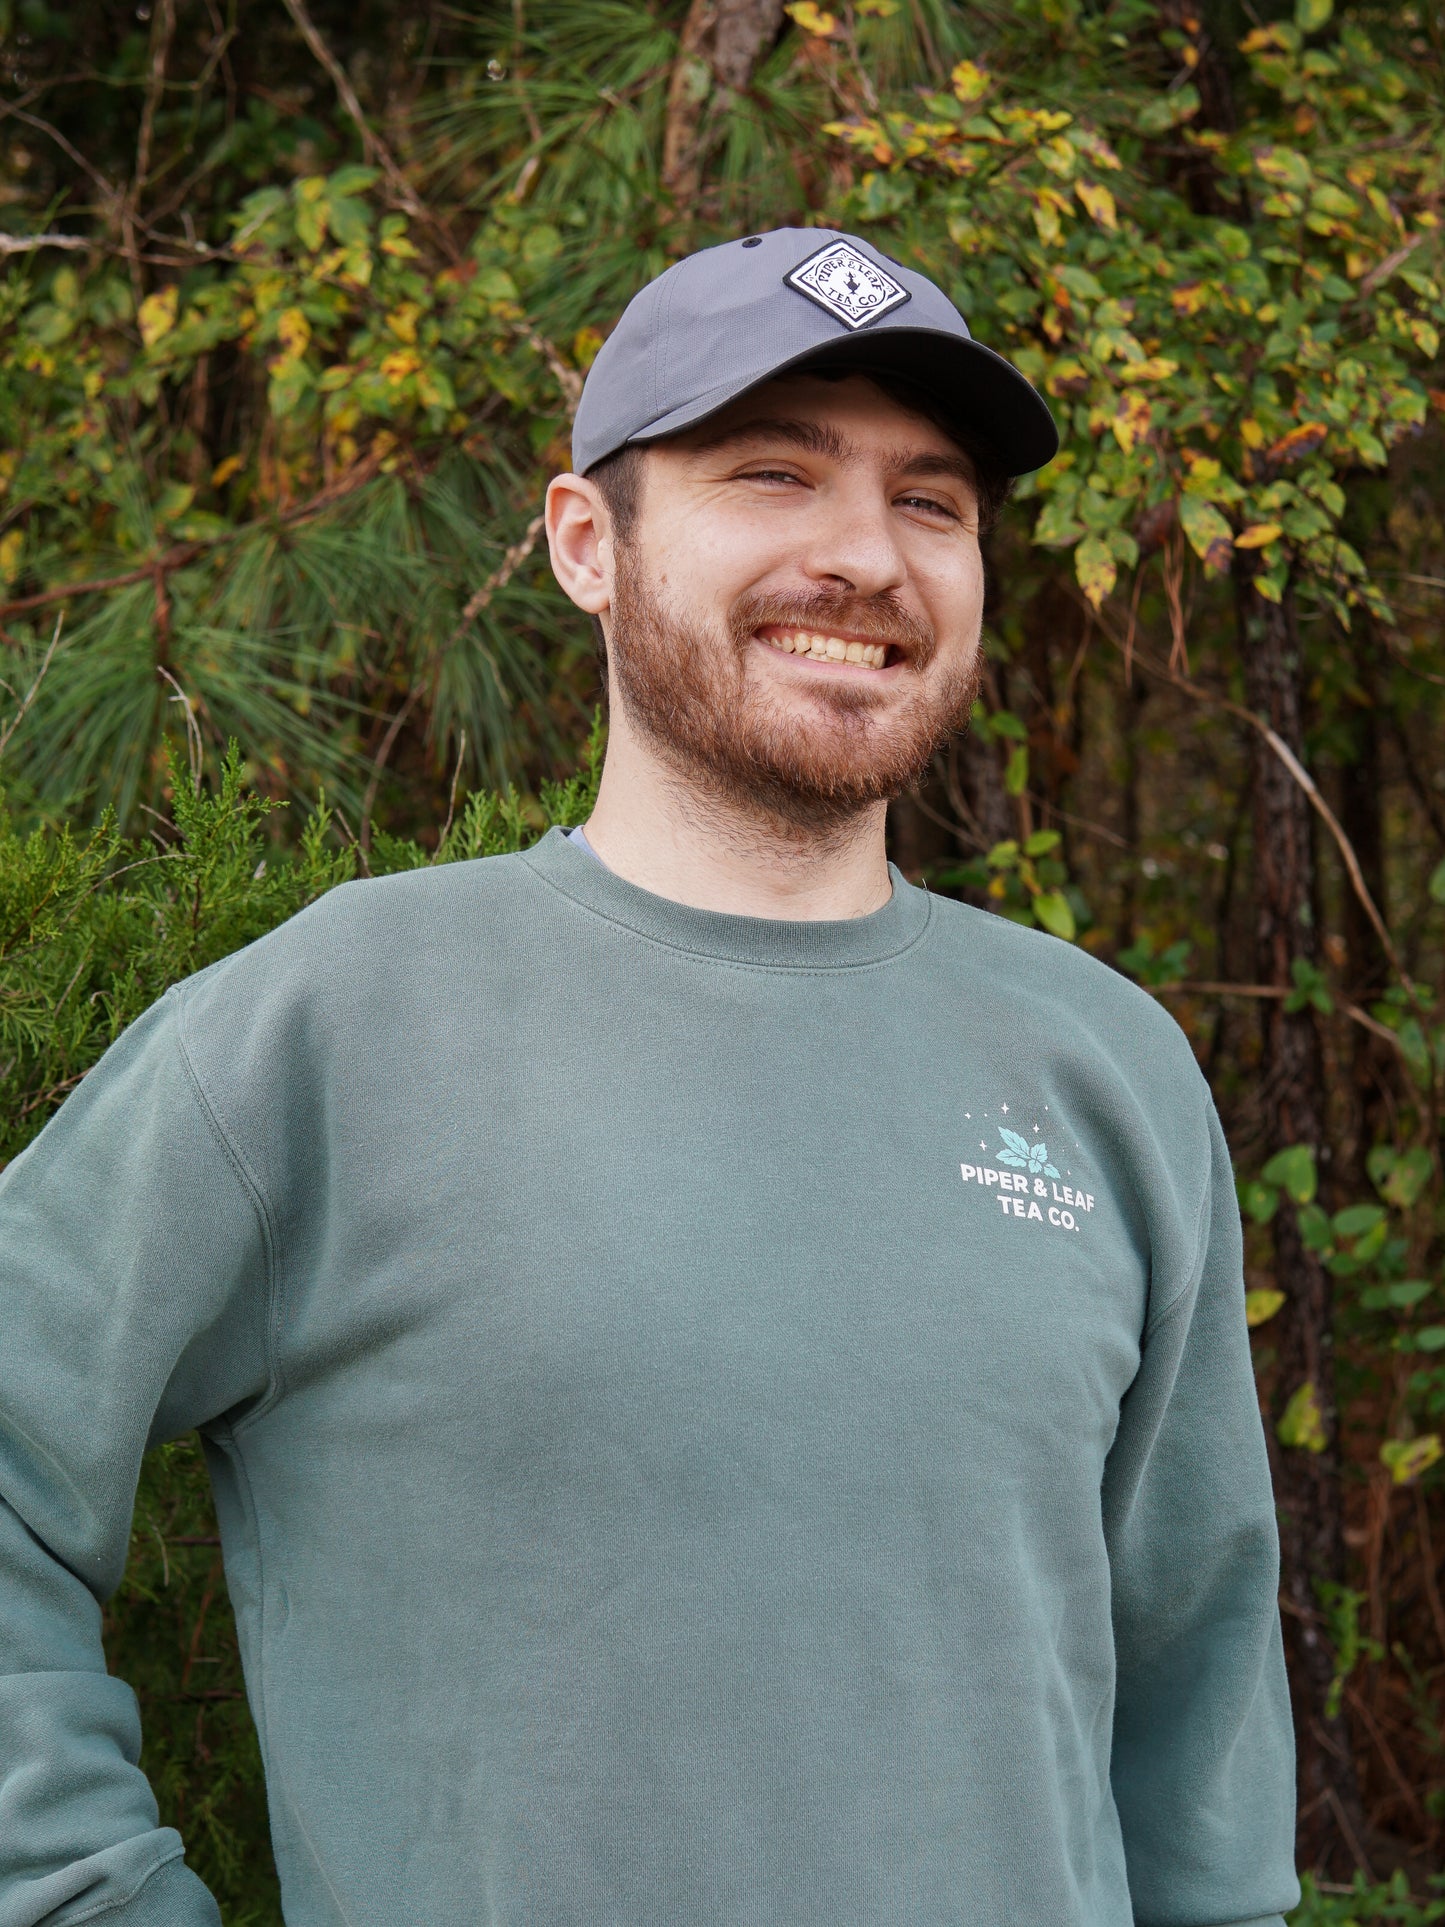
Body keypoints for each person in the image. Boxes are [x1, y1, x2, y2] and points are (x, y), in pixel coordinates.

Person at [0, 228, 1298, 1925]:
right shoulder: (330, 1026)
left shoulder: (1102, 1066)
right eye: (772, 472)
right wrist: (90, 1890)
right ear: (585, 544)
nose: (866, 556)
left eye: (931, 500)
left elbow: (1196, 1693)